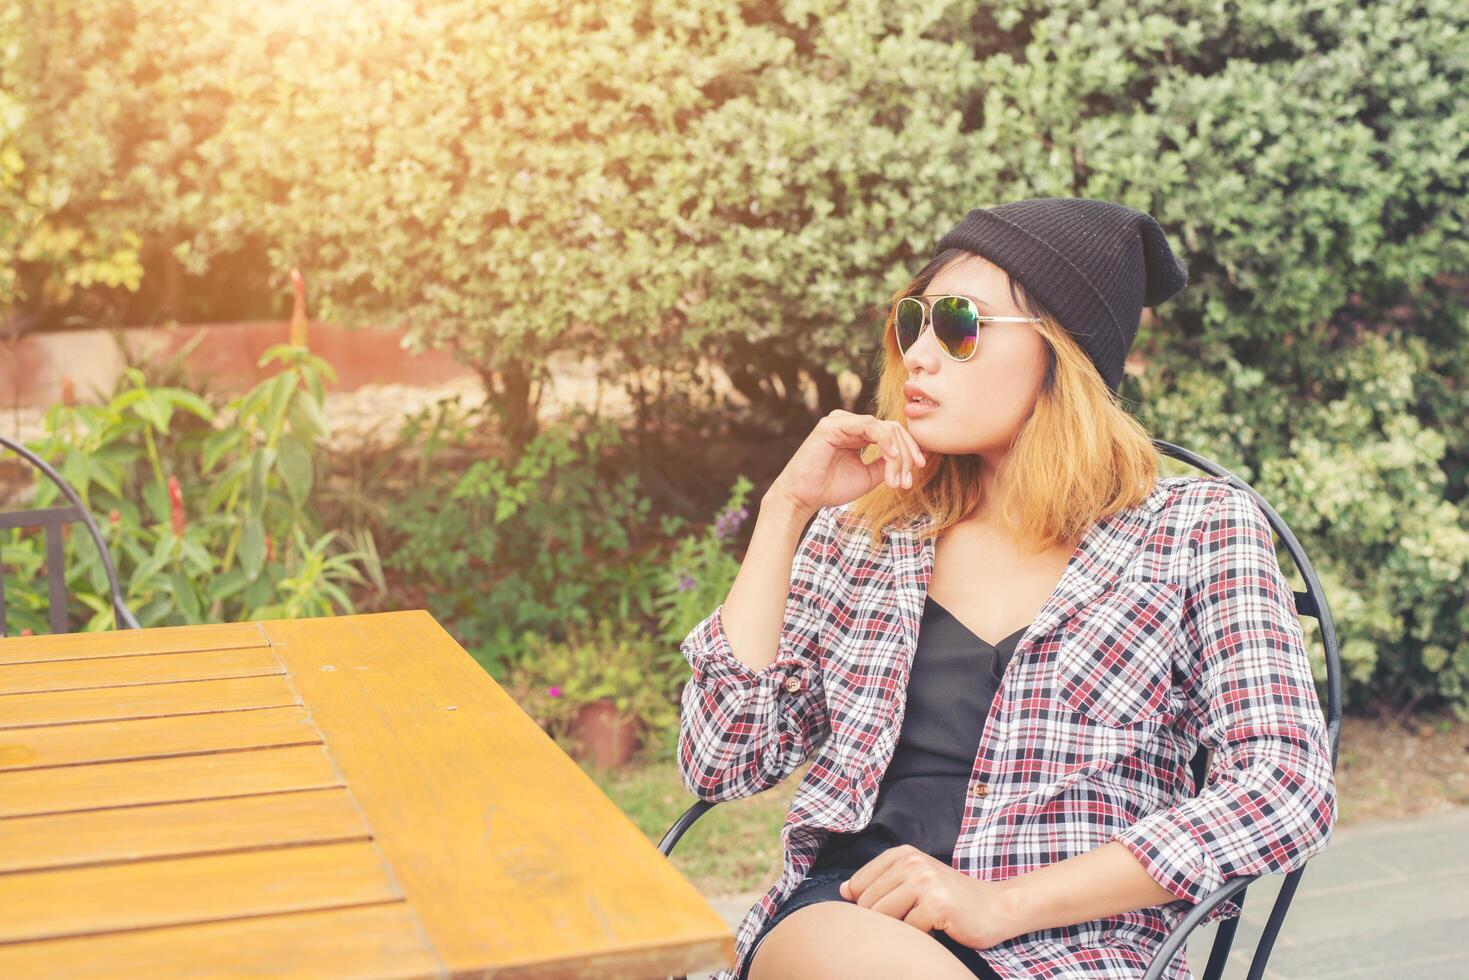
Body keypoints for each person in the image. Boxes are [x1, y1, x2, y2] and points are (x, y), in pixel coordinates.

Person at [677, 198, 1338, 980]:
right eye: (911, 322)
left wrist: (1001, 903)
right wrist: (784, 513)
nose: (918, 355)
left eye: (959, 325)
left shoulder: (1194, 531)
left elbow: (1284, 787)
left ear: (1061, 355)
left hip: (1079, 948)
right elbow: (724, 762)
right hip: (858, 913)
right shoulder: (867, 528)